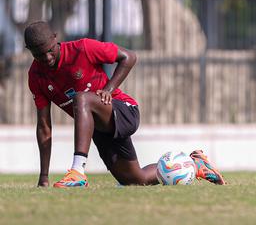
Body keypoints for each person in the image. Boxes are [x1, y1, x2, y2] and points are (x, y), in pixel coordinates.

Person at [25, 21, 226, 187]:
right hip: (100, 129)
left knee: (81, 98)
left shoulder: (83, 48)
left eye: (50, 51)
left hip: (123, 110)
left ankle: (77, 172)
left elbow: (129, 56)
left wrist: (109, 89)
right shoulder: (36, 76)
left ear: (55, 38)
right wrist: (44, 177)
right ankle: (195, 164)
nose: (47, 58)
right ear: (30, 52)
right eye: (39, 55)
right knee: (135, 180)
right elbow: (44, 127)